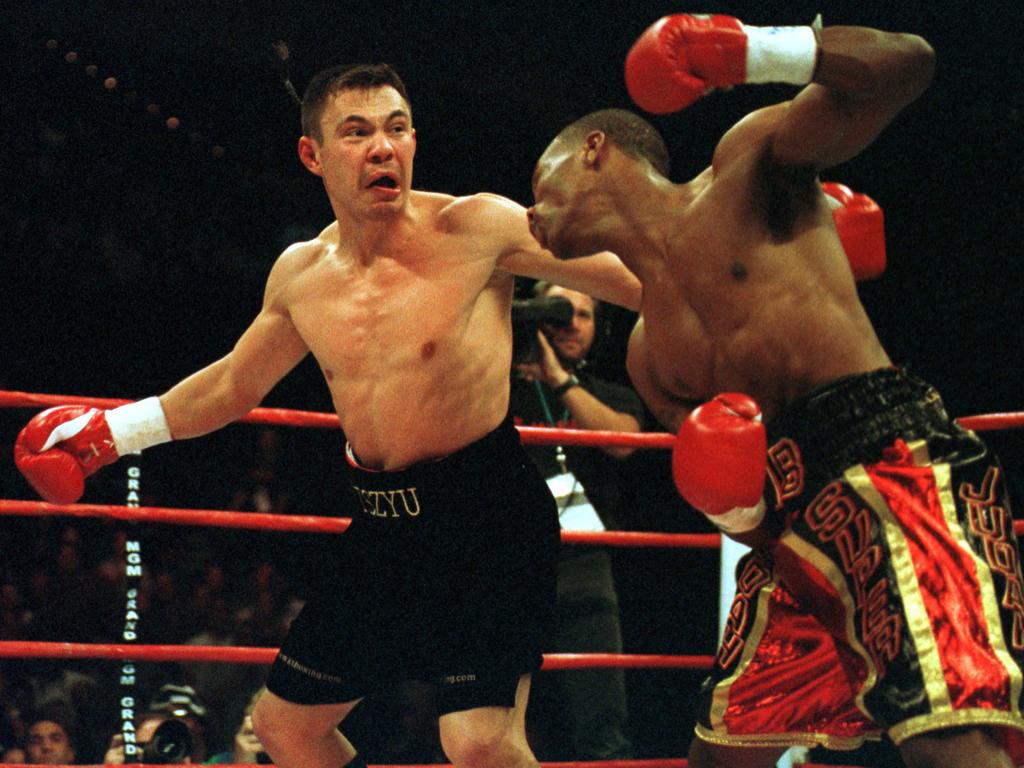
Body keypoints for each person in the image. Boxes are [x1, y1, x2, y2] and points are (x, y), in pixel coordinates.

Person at [13, 63, 641, 768]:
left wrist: (723, 315)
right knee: (287, 729)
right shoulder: (302, 275)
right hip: (383, 532)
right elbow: (230, 385)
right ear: (313, 155)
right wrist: (113, 432)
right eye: (358, 132)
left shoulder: (479, 227)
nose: (383, 147)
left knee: (479, 742)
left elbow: (636, 280)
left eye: (397, 128)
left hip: (487, 518)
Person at [528, 13, 1024, 768]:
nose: (531, 211)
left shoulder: (745, 169)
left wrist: (756, 52)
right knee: (721, 757)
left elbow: (909, 64)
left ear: (594, 149)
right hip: (795, 540)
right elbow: (746, 521)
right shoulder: (646, 357)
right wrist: (736, 500)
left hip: (891, 467)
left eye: (540, 182)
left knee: (951, 745)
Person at [510, 281, 642, 760]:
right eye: (559, 312)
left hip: (584, 564)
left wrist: (558, 379)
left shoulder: (608, 394)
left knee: (603, 723)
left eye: (583, 315)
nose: (571, 324)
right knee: (495, 718)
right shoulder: (495, 390)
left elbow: (623, 440)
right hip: (509, 561)